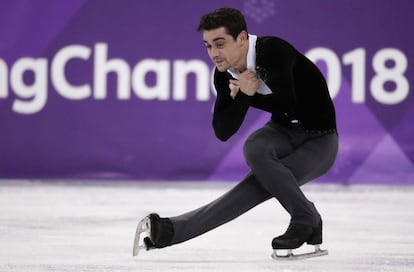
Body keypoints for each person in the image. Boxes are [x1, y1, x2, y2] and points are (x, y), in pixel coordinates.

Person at [133, 7, 338, 259]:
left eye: (220, 44)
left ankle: (305, 217)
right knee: (254, 146)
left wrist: (246, 95)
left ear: (242, 39)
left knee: (252, 188)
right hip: (281, 133)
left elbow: (288, 103)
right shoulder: (223, 74)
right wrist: (242, 97)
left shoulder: (272, 50)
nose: (214, 54)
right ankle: (308, 217)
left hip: (320, 139)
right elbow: (222, 130)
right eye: (208, 46)